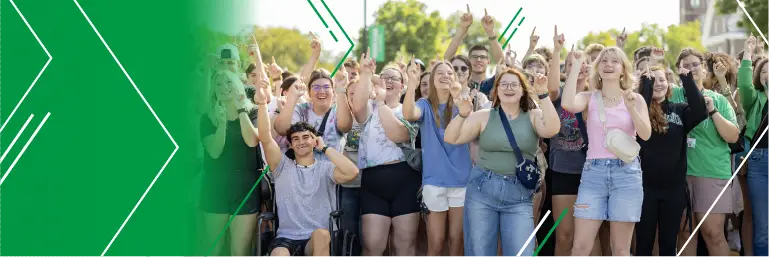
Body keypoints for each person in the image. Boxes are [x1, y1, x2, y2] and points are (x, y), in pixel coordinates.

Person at [444, 67, 560, 257]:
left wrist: (544, 94)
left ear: (522, 90)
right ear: (496, 90)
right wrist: (463, 114)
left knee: (522, 252)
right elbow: (451, 138)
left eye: (514, 84)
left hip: (519, 194)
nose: (508, 88)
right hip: (483, 190)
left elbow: (552, 129)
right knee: (480, 252)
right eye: (503, 84)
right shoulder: (484, 115)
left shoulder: (533, 115)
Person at [254, 76, 359, 257]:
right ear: (291, 145)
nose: (301, 142)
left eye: (306, 137)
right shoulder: (281, 167)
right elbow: (265, 137)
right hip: (286, 238)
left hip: (315, 241)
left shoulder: (325, 169)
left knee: (321, 234)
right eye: (296, 139)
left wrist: (325, 148)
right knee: (279, 254)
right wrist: (262, 104)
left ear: (314, 141)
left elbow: (352, 172)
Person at [561, 48, 652, 257]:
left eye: (614, 61)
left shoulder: (635, 99)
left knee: (620, 250)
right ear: (597, 68)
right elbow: (567, 104)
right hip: (594, 174)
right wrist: (575, 68)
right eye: (603, 61)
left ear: (623, 69)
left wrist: (630, 108)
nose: (608, 65)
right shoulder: (588, 97)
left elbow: (646, 134)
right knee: (580, 247)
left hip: (627, 174)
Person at [671, 48, 740, 257]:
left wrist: (712, 111)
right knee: (684, 235)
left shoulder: (717, 99)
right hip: (679, 176)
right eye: (685, 65)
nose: (691, 69)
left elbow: (733, 136)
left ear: (703, 68)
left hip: (712, 173)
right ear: (678, 70)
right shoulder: (672, 95)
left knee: (714, 234)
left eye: (695, 64)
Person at [352, 50, 421, 257]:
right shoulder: (369, 108)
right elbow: (357, 109)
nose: (389, 81)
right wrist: (365, 74)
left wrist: (382, 104)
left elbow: (399, 135)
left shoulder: (409, 110)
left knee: (404, 246)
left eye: (394, 78)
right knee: (373, 246)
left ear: (402, 86)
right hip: (373, 182)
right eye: (384, 77)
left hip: (405, 181)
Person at [635, 64, 707, 257]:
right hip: (644, 188)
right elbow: (641, 110)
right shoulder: (638, 111)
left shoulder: (680, 109)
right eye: (653, 80)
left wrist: (688, 81)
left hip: (673, 190)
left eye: (662, 80)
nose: (658, 84)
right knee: (643, 243)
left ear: (669, 85)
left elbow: (700, 112)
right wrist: (646, 86)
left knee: (668, 245)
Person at [403, 59, 472, 257]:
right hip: (434, 182)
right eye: (439, 73)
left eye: (449, 73)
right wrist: (411, 84)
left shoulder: (463, 103)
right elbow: (408, 114)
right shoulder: (424, 105)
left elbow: (473, 127)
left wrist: (459, 97)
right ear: (432, 80)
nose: (445, 76)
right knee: (436, 242)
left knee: (456, 240)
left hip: (461, 181)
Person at [199, 69, 262, 257]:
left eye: (229, 82)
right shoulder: (207, 118)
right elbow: (215, 151)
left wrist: (241, 108)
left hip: (245, 188)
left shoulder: (253, 112)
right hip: (215, 188)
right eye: (218, 84)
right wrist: (221, 124)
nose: (224, 87)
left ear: (238, 86)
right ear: (213, 90)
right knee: (214, 249)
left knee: (239, 252)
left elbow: (252, 140)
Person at [543, 27, 593, 257]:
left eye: (585, 63)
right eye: (573, 64)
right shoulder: (558, 97)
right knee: (564, 236)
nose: (580, 67)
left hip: (594, 174)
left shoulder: (597, 96)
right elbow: (551, 85)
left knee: (590, 239)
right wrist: (557, 50)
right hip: (563, 172)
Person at [273, 68, 353, 161]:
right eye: (316, 87)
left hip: (332, 172)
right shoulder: (300, 109)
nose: (322, 91)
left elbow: (345, 126)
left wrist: (341, 89)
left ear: (333, 91)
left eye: (326, 87)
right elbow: (281, 129)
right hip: (303, 172)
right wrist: (292, 96)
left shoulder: (338, 111)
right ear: (309, 92)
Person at [738, 36, 769, 257]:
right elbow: (743, 83)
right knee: (763, 227)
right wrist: (748, 54)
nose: (768, 74)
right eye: (764, 71)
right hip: (758, 163)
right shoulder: (754, 98)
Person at [444, 5, 503, 97]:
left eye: (483, 57)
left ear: (488, 61)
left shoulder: (495, 82)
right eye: (474, 57)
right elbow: (447, 59)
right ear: (468, 61)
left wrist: (490, 32)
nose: (478, 59)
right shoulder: (460, 82)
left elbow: (502, 61)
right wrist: (463, 28)